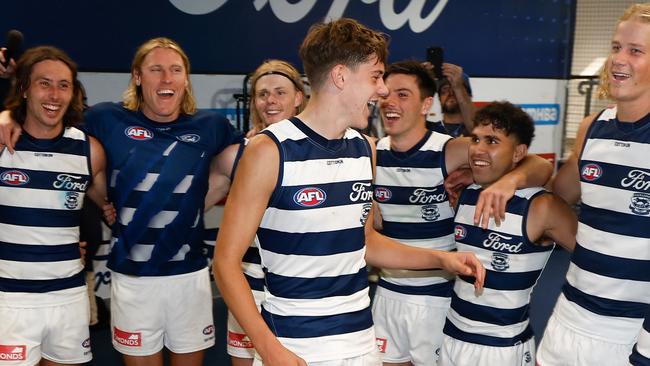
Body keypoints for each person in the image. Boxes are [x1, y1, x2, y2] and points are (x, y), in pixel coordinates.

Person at [213, 18, 488, 366]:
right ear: (341, 76)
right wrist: (270, 350)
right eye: (375, 76)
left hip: (361, 341)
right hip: (293, 344)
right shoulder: (269, 150)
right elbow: (225, 263)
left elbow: (364, 242)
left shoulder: (364, 149)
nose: (383, 91)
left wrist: (441, 259)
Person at [0, 37, 242, 366]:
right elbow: (50, 123)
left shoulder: (211, 125)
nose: (166, 79)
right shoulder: (107, 119)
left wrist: (198, 203)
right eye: (156, 69)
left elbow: (249, 161)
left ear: (186, 79)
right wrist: (7, 115)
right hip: (132, 279)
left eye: (175, 70)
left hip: (189, 277)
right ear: (137, 77)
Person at [372, 62, 554, 366]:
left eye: (403, 95)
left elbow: (539, 165)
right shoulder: (373, 151)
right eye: (387, 95)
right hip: (388, 291)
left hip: (437, 297)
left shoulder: (450, 149)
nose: (391, 102)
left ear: (426, 104)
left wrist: (508, 181)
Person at [536, 4, 650, 365]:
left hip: (629, 333)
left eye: (636, 51)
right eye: (616, 47)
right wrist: (516, 176)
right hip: (569, 316)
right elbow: (559, 194)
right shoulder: (592, 128)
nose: (619, 59)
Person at [437, 101, 577, 366]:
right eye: (476, 139)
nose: (478, 148)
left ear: (518, 152)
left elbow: (593, 258)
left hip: (501, 349)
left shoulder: (542, 206)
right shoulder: (464, 193)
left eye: (492, 141)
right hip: (451, 337)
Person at [0, 46, 107, 366]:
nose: (55, 94)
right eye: (44, 83)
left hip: (68, 297)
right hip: (10, 301)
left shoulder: (90, 150)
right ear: (23, 88)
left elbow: (111, 208)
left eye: (64, 85)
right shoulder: (3, 142)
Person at [214, 59, 306, 366]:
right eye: (263, 94)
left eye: (280, 92)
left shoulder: (320, 150)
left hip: (300, 292)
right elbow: (189, 205)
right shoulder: (236, 154)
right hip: (249, 288)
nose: (271, 101)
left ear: (298, 97)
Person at [426, 63, 474, 137]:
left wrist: (458, 86)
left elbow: (474, 127)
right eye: (445, 89)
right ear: (439, 98)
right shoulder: (427, 129)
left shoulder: (481, 129)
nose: (451, 93)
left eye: (455, 89)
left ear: (469, 96)